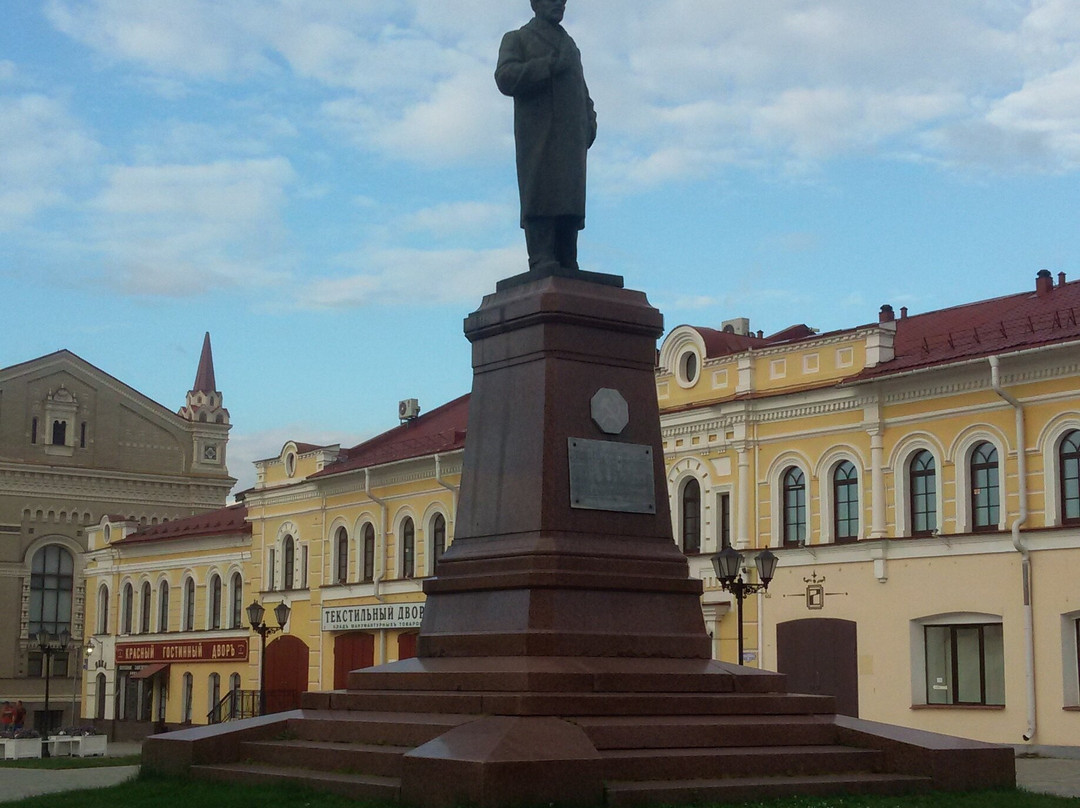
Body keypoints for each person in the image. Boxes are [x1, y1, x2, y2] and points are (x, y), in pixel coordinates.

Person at [496, 0, 596, 275]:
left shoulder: (571, 45)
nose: (560, 4)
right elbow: (505, 77)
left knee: (570, 198)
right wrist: (548, 66)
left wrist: (590, 118)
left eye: (563, 0)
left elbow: (581, 88)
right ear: (535, 2)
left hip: (571, 137)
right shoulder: (518, 39)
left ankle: (567, 257)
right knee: (541, 193)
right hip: (539, 136)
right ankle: (541, 257)